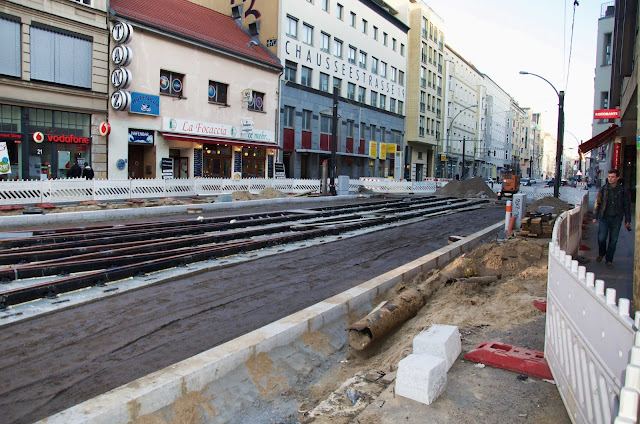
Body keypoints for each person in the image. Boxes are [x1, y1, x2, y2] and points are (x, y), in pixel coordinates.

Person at [592, 169, 631, 268]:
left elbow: (627, 205)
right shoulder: (604, 189)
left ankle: (609, 260)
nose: (610, 179)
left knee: (613, 240)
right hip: (604, 217)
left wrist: (627, 220)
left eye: (613, 177)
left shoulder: (622, 190)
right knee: (601, 238)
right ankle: (602, 253)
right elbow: (598, 203)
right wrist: (595, 216)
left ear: (617, 178)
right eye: (609, 176)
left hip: (616, 218)